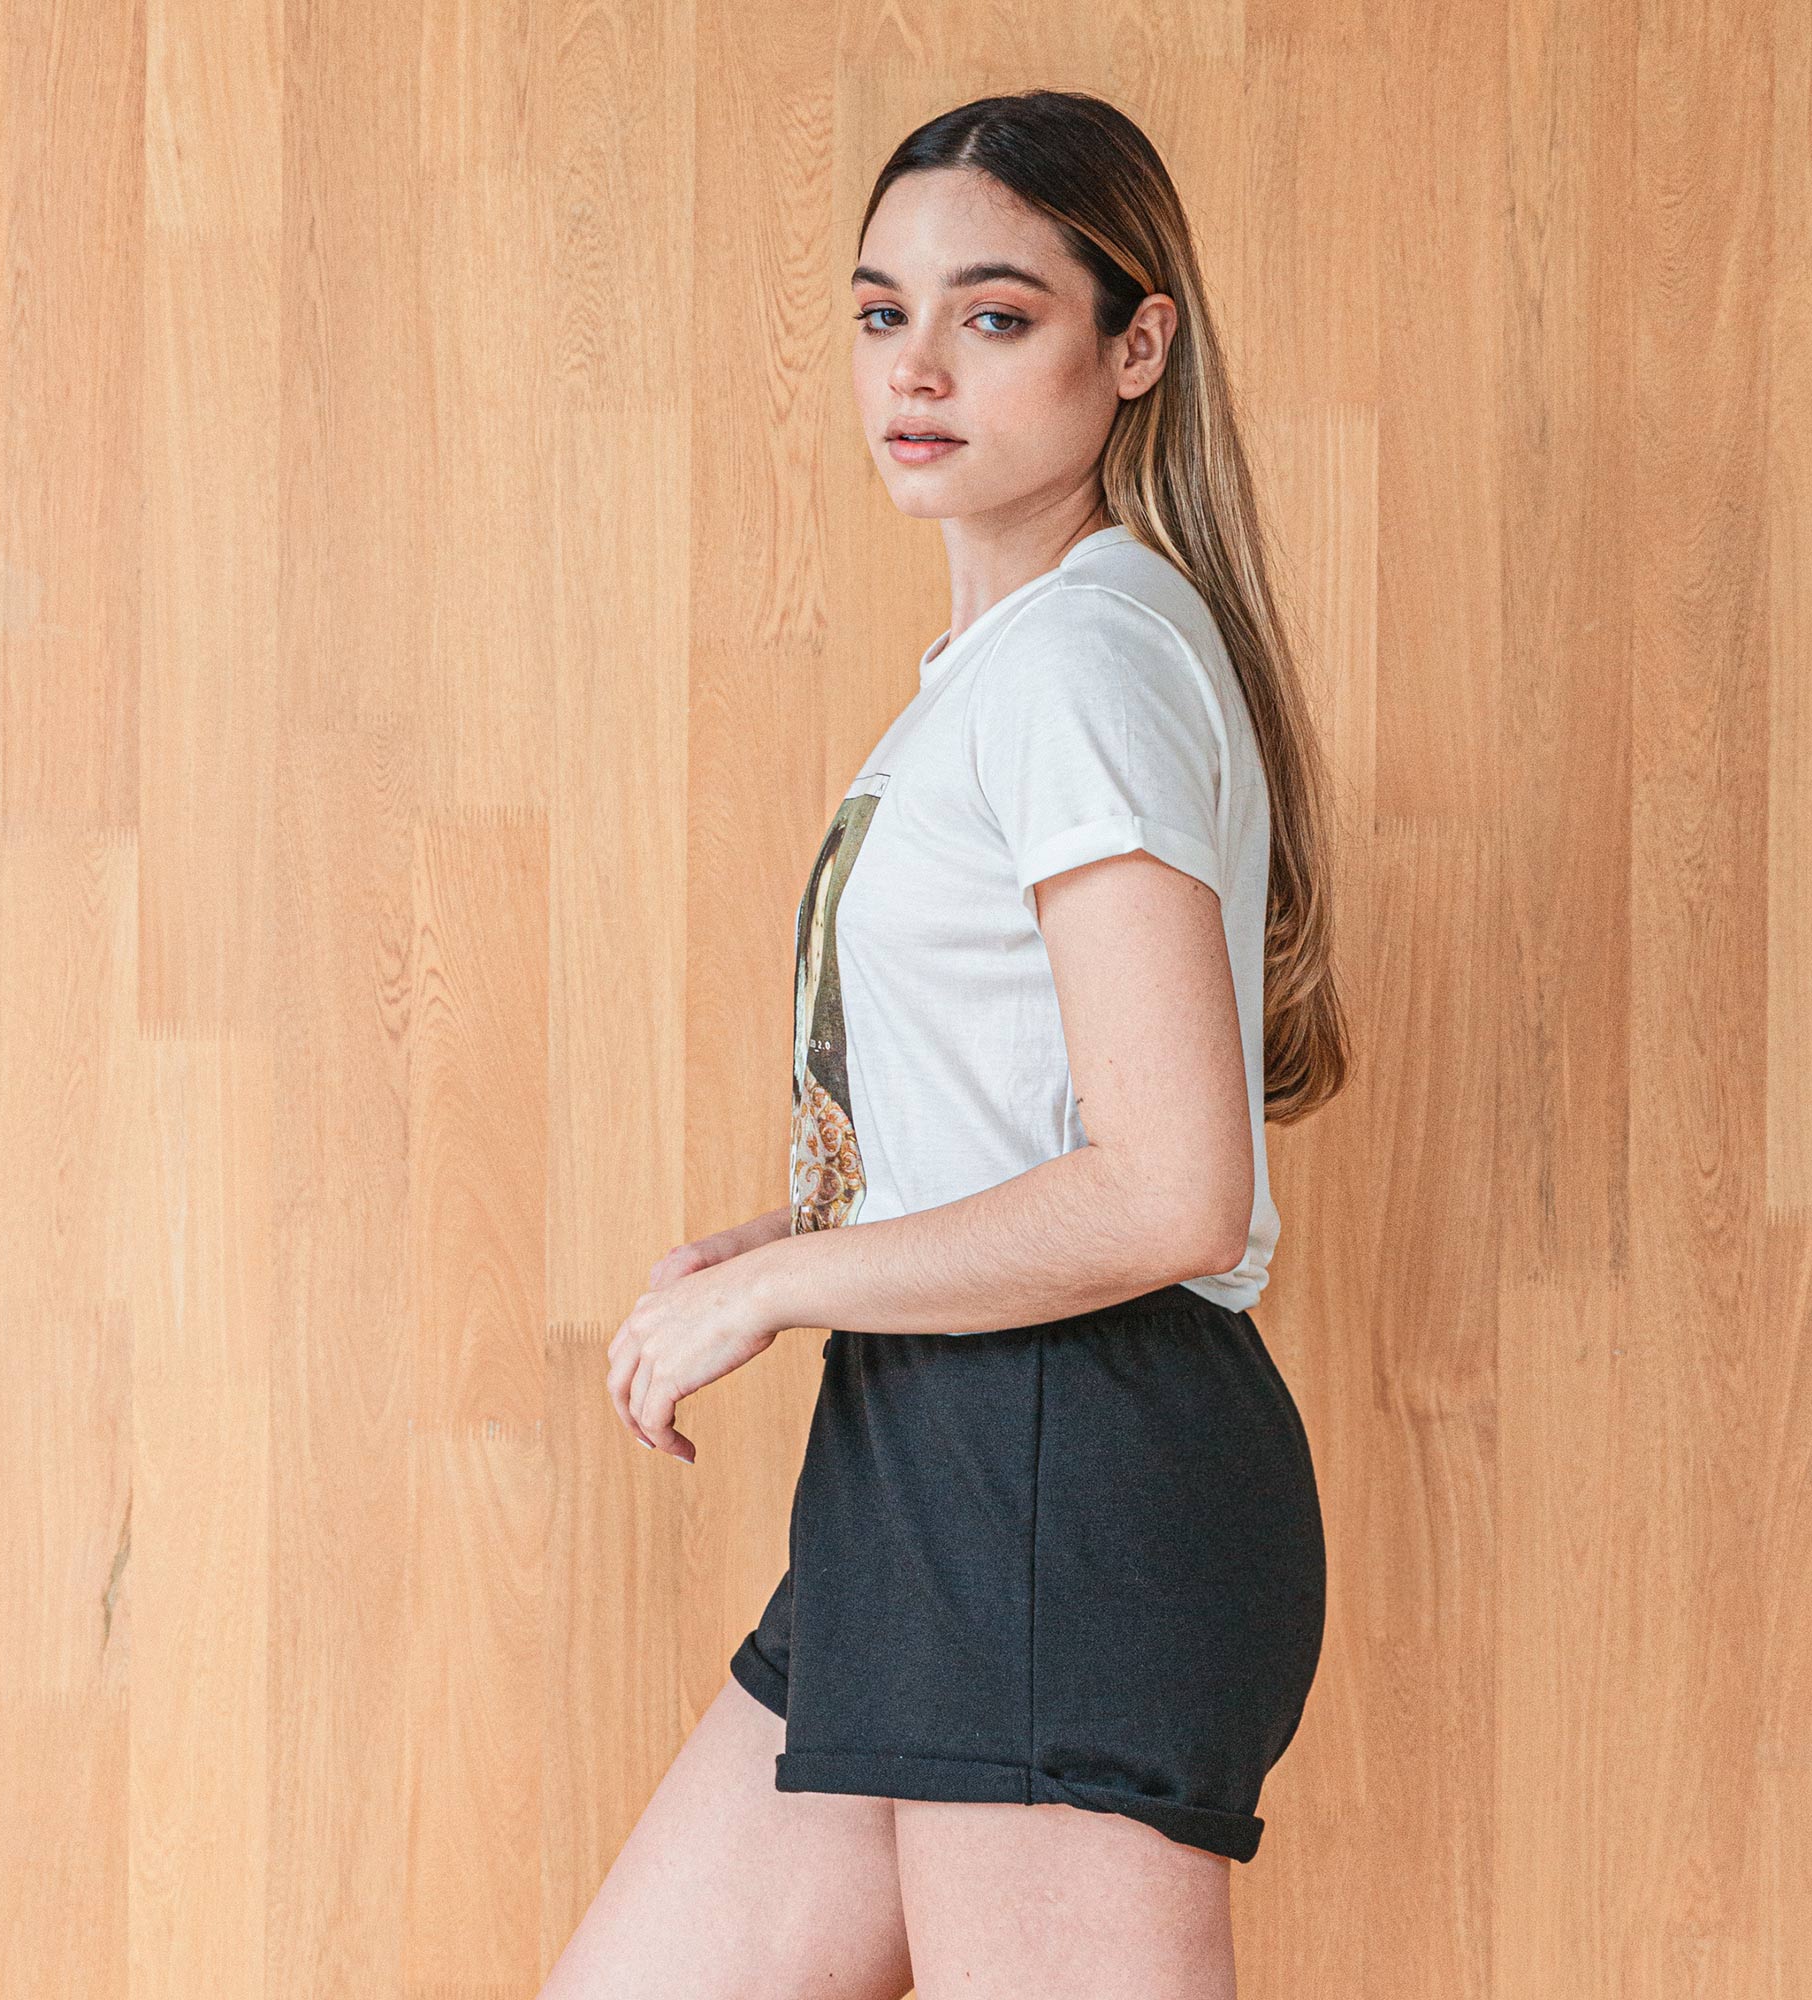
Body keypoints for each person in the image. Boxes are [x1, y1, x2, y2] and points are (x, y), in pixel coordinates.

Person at [542, 87, 1351, 2000]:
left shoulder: (1078, 661)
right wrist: (805, 1231)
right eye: (879, 312)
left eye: (994, 315)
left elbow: (1169, 1192)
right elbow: (1034, 1119)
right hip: (941, 1458)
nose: (916, 368)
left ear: (1134, 346)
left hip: (1060, 1467)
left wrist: (788, 1287)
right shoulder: (1024, 661)